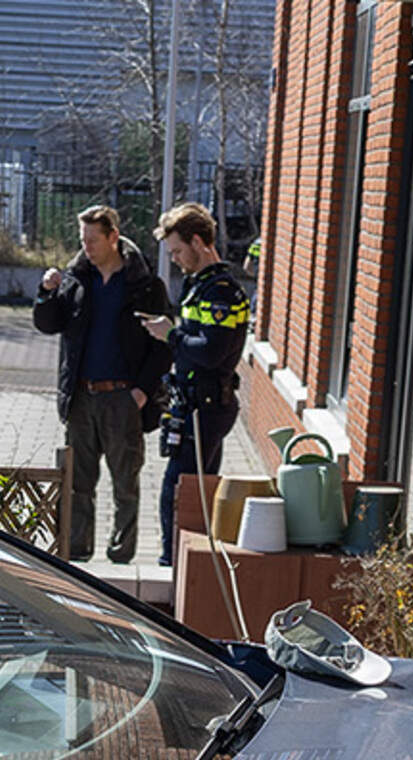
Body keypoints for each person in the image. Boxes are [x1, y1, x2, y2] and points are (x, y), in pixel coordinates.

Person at [31, 205, 169, 565]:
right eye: (82, 240)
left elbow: (163, 346)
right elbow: (49, 324)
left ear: (113, 237)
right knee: (78, 483)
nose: (87, 248)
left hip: (123, 398)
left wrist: (141, 391)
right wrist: (46, 292)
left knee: (126, 484)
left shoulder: (145, 286)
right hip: (82, 397)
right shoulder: (77, 282)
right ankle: (77, 553)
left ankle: (121, 556)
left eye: (93, 240)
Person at [151, 200, 248, 567]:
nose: (175, 259)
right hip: (193, 404)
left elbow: (211, 352)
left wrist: (170, 335)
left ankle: (174, 567)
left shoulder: (220, 292)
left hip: (206, 408)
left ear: (198, 242)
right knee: (195, 493)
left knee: (179, 495)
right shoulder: (200, 285)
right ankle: (184, 564)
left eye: (177, 250)